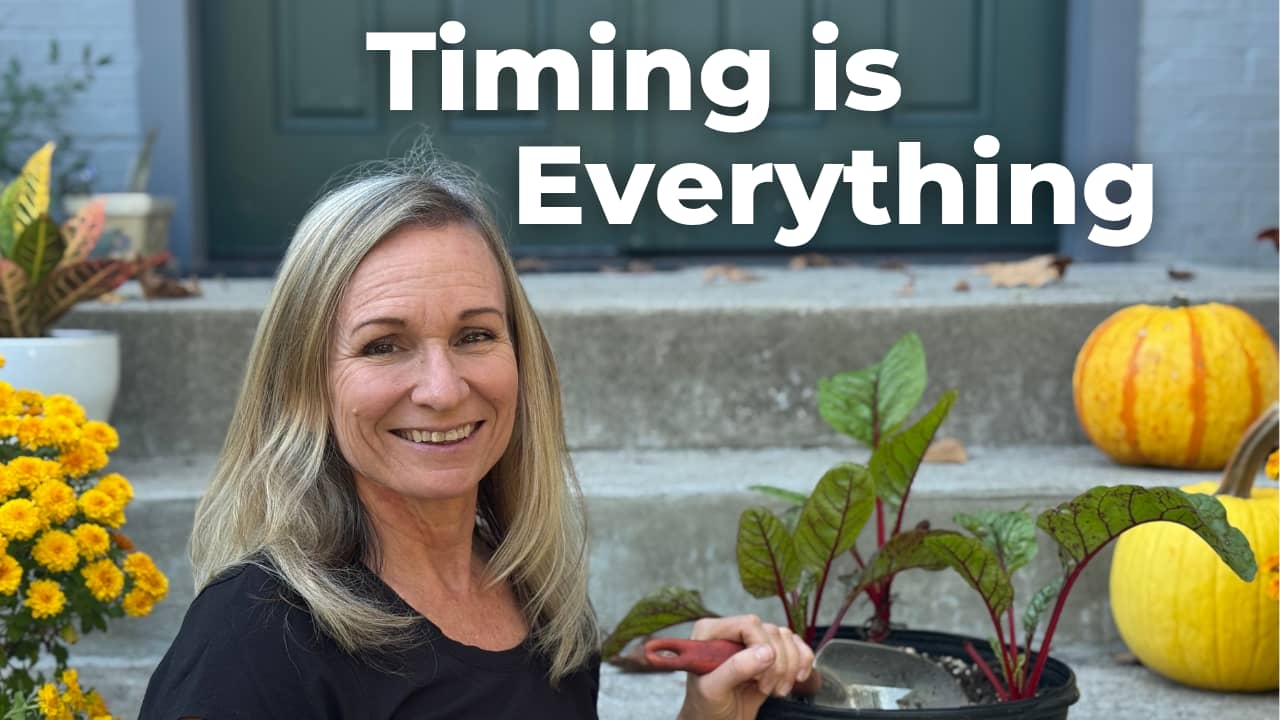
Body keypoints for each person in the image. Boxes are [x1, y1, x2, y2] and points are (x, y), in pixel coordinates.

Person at [138, 153, 813, 720]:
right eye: (384, 345)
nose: (443, 388)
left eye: (475, 336)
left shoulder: (545, 610)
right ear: (306, 384)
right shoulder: (258, 639)